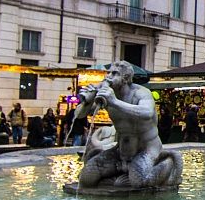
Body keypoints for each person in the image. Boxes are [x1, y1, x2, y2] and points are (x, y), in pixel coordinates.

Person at [73, 60, 181, 189]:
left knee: (139, 183)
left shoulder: (141, 93)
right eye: (108, 73)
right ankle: (119, 176)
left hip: (146, 149)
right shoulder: (106, 94)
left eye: (114, 74)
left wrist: (114, 101)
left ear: (125, 78)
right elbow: (78, 115)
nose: (108, 77)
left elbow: (146, 112)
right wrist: (87, 102)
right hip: (121, 151)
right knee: (86, 178)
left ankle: (166, 162)